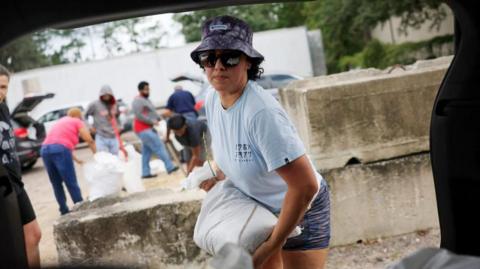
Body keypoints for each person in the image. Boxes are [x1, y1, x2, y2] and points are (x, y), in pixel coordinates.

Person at [190, 16, 330, 269]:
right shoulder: (213, 99)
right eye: (209, 58)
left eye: (230, 58)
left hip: (301, 208)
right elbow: (234, 152)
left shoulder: (261, 113)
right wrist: (217, 174)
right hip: (259, 209)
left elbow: (305, 186)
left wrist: (269, 247)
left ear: (248, 62)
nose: (218, 66)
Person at [0, 64, 42, 267]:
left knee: (33, 235)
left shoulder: (4, 108)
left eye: (3, 87)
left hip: (15, 183)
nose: (0, 92)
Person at [40, 107, 96, 215]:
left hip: (45, 150)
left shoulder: (61, 121)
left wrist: (77, 160)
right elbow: (89, 139)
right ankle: (80, 207)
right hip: (60, 149)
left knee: (56, 183)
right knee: (70, 181)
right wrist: (97, 155)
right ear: (79, 116)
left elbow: (60, 143)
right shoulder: (77, 121)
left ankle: (64, 210)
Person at [132, 81, 178, 178]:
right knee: (159, 146)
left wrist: (159, 119)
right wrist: (152, 121)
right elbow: (139, 115)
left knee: (146, 152)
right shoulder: (137, 101)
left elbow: (152, 112)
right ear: (140, 90)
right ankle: (170, 167)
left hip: (147, 128)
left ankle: (145, 173)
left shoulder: (146, 100)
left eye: (148, 89)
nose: (148, 91)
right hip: (143, 129)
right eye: (145, 89)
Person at [85, 85, 122, 156]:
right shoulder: (94, 104)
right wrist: (89, 127)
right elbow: (84, 116)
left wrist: (119, 126)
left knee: (115, 158)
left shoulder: (114, 104)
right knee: (104, 158)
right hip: (101, 135)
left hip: (113, 135)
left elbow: (118, 117)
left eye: (108, 95)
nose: (106, 97)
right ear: (101, 95)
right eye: (104, 95)